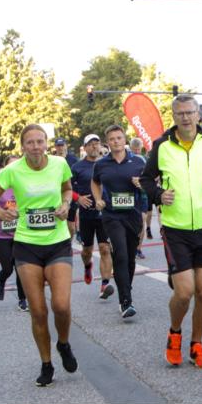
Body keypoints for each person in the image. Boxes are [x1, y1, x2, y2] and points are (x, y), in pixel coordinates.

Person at [140, 95, 202, 368]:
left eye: (190, 112)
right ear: (174, 116)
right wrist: (158, 194)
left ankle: (196, 344)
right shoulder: (162, 146)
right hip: (175, 228)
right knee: (184, 292)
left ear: (198, 115)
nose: (185, 117)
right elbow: (146, 180)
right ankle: (174, 334)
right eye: (180, 113)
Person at [0, 124, 77, 386]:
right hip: (26, 244)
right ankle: (46, 364)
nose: (36, 146)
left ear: (46, 143)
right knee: (37, 310)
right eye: (30, 143)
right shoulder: (12, 170)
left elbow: (67, 189)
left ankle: (64, 343)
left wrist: (66, 204)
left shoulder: (59, 164)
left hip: (57, 242)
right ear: (22, 146)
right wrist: (1, 214)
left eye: (40, 141)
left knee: (61, 304)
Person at [93, 125, 146, 319]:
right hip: (111, 215)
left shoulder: (138, 161)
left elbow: (150, 182)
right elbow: (95, 182)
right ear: (108, 142)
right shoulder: (101, 164)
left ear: (125, 140)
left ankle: (126, 289)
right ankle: (126, 301)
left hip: (132, 214)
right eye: (112, 139)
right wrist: (98, 198)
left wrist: (141, 184)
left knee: (130, 257)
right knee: (121, 253)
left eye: (119, 138)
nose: (116, 141)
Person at [73, 134, 114, 299]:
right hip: (86, 214)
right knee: (87, 251)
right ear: (85, 147)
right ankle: (87, 265)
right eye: (91, 144)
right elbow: (66, 188)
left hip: (104, 214)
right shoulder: (77, 167)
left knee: (105, 248)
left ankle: (105, 284)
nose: (94, 147)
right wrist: (78, 198)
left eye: (97, 144)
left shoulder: (107, 164)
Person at [0, 155, 28, 312]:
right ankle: (1, 278)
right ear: (5, 168)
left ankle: (22, 299)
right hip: (1, 234)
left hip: (21, 233)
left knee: (21, 267)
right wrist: (1, 212)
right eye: (11, 165)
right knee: (8, 268)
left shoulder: (25, 184)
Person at [129, 137, 153, 257]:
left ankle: (138, 248)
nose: (137, 152)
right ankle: (130, 246)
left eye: (139, 149)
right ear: (131, 148)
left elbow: (151, 176)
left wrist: (141, 181)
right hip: (128, 194)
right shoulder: (125, 158)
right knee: (128, 221)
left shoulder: (144, 159)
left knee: (141, 220)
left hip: (142, 194)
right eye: (135, 150)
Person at [52, 137, 80, 239]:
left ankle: (69, 244)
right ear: (55, 147)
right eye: (58, 146)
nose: (60, 148)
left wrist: (77, 195)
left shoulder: (73, 159)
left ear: (66, 146)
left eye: (62, 145)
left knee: (71, 227)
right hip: (56, 195)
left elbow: (78, 176)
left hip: (70, 194)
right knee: (57, 222)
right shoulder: (51, 159)